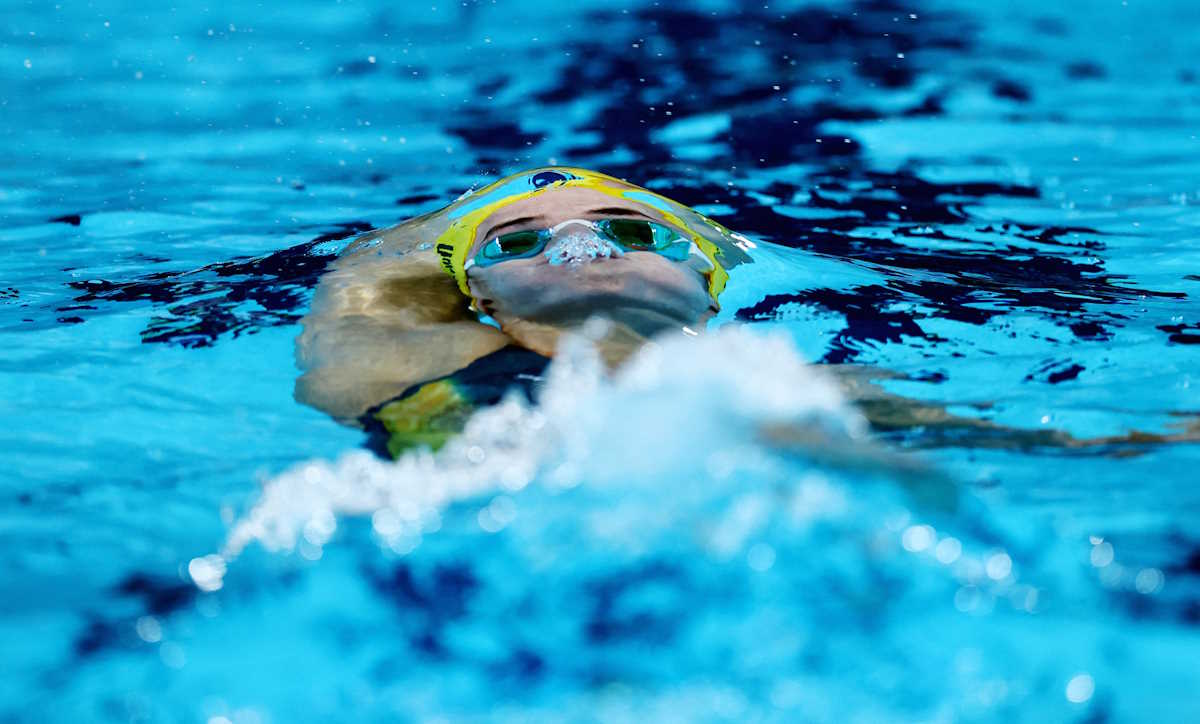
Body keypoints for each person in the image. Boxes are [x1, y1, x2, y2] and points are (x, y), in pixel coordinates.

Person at [294, 167, 752, 456]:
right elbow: (344, 354)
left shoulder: (787, 392)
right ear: (483, 298)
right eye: (516, 242)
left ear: (708, 285)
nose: (581, 247)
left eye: (637, 233)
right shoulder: (434, 373)